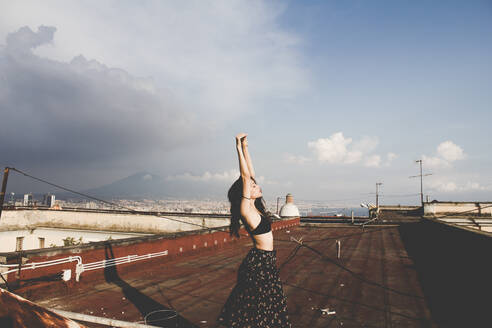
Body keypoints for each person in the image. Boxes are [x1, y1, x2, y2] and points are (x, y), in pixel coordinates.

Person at [217, 133, 291, 328]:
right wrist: (238, 148)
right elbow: (245, 176)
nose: (257, 186)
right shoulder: (246, 209)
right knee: (257, 309)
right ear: (244, 191)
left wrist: (247, 147)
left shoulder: (256, 207)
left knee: (267, 306)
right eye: (253, 186)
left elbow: (250, 173)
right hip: (259, 264)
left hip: (266, 261)